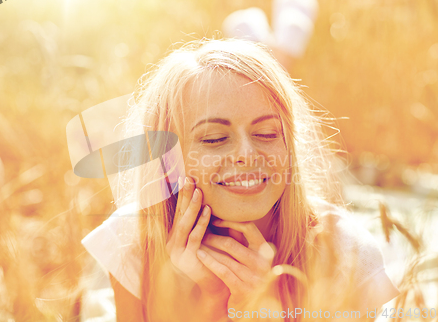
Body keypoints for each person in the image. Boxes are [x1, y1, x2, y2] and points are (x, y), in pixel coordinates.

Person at [80, 39, 399, 322]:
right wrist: (210, 305)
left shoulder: (344, 251)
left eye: (267, 134)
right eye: (215, 138)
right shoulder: (132, 242)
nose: (246, 154)